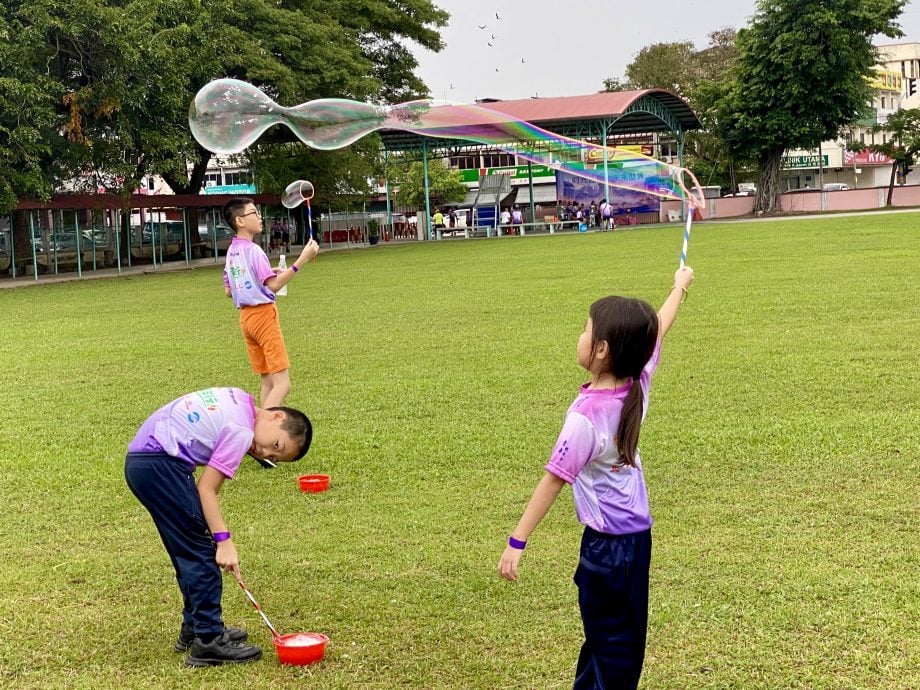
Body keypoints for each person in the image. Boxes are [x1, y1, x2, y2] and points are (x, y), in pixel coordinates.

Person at [497, 266, 695, 690]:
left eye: (585, 329)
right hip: (635, 542)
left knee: (613, 649)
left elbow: (554, 479)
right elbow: (657, 331)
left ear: (602, 349)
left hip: (607, 551)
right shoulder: (637, 380)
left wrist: (517, 540)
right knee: (610, 643)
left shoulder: (584, 419)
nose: (580, 336)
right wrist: (678, 287)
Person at [125, 386, 314, 667]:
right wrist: (223, 541)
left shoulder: (238, 399)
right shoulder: (241, 431)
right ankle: (209, 641)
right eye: (275, 446)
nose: (263, 452)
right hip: (160, 464)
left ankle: (195, 627)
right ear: (276, 417)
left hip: (142, 462)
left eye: (273, 458)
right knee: (201, 551)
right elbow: (207, 489)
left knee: (186, 549)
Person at [223, 198, 319, 409]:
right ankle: (263, 429)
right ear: (240, 220)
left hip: (246, 320)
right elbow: (274, 285)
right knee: (283, 385)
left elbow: (229, 291)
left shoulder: (231, 252)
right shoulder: (254, 250)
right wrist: (301, 260)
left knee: (267, 380)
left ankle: (261, 433)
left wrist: (263, 276)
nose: (260, 217)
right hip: (264, 317)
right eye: (254, 213)